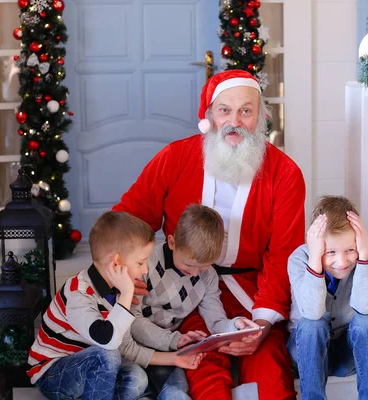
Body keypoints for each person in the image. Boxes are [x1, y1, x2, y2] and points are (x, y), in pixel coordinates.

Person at [113, 69, 306, 399]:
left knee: (270, 376)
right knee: (204, 370)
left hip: (253, 293)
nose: (235, 121)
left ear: (260, 117)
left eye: (246, 110)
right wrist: (128, 280)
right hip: (185, 294)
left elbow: (285, 254)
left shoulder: (285, 174)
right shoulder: (175, 158)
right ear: (210, 116)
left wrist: (263, 323)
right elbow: (128, 222)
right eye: (224, 110)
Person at [130, 204, 259, 400]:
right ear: (172, 242)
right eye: (189, 265)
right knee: (137, 387)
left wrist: (235, 325)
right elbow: (133, 321)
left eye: (205, 266)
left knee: (178, 393)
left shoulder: (208, 276)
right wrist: (173, 340)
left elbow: (215, 322)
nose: (195, 273)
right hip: (134, 346)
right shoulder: (145, 264)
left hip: (169, 352)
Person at [27, 211, 155, 400]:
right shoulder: (78, 293)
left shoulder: (116, 289)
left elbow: (122, 343)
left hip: (88, 366)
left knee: (138, 377)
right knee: (108, 355)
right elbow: (107, 341)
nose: (144, 270)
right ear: (117, 262)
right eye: (140, 262)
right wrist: (127, 295)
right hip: (52, 374)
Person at [287, 196, 368, 400]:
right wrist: (315, 257)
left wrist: (364, 253)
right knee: (312, 325)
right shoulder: (299, 259)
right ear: (315, 245)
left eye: (350, 249)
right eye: (330, 252)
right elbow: (312, 313)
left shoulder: (363, 257)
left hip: (345, 355)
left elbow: (365, 308)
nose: (342, 261)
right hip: (307, 353)